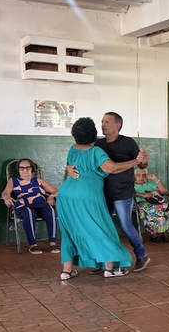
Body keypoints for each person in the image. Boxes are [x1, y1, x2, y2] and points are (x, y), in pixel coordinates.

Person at [54, 117, 147, 281]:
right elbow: (113, 168)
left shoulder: (73, 149)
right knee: (102, 229)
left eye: (106, 122)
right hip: (87, 196)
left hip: (66, 195)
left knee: (71, 231)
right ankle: (109, 268)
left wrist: (68, 168)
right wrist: (136, 161)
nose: (103, 125)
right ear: (93, 133)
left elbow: (70, 165)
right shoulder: (95, 151)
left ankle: (66, 271)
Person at [0, 158, 60, 254]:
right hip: (23, 207)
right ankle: (33, 245)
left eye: (27, 168)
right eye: (21, 168)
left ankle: (53, 243)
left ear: (32, 169)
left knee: (51, 211)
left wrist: (51, 196)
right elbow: (5, 192)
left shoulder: (39, 181)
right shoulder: (13, 181)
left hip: (41, 205)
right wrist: (6, 197)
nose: (24, 170)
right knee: (29, 213)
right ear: (18, 170)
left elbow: (57, 190)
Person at [133, 168, 169, 243]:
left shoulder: (150, 184)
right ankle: (154, 235)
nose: (141, 177)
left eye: (144, 175)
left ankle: (163, 233)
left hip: (155, 203)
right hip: (141, 203)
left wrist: (154, 178)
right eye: (138, 175)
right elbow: (130, 192)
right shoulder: (132, 185)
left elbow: (164, 191)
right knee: (152, 209)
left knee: (167, 207)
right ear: (135, 176)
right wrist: (143, 195)